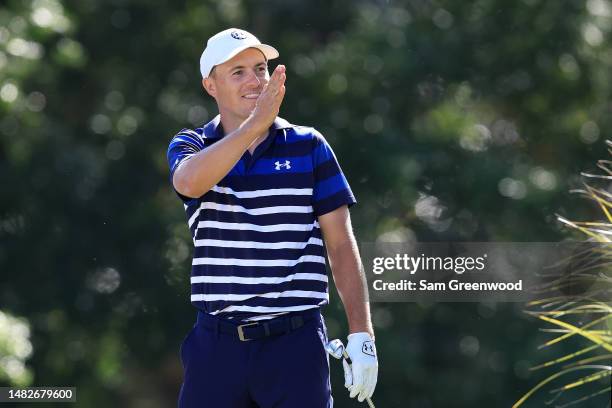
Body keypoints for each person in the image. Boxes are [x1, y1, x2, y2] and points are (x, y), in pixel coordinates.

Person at [167, 28, 378, 408]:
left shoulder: (309, 146)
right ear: (210, 85)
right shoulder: (192, 145)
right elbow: (189, 182)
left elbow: (341, 244)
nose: (255, 80)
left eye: (260, 68)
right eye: (238, 72)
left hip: (294, 345)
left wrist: (362, 335)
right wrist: (255, 125)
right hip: (217, 346)